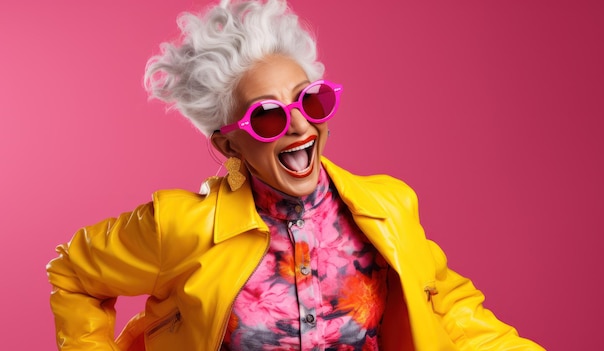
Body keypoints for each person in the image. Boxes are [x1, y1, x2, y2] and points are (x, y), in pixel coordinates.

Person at [46, 0, 546, 350]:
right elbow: (74, 275)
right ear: (227, 144)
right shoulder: (176, 227)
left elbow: (446, 307)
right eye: (268, 115)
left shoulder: (388, 208)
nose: (301, 125)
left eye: (311, 100)